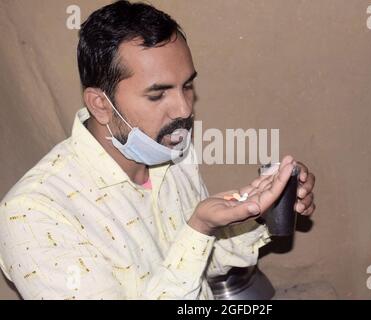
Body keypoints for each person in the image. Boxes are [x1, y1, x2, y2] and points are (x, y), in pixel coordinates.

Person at [0, 0, 315, 299]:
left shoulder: (168, 148)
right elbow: (192, 247)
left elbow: (203, 264)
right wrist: (199, 227)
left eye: (187, 86)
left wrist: (262, 211)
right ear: (100, 105)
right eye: (157, 95)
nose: (183, 109)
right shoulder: (32, 216)